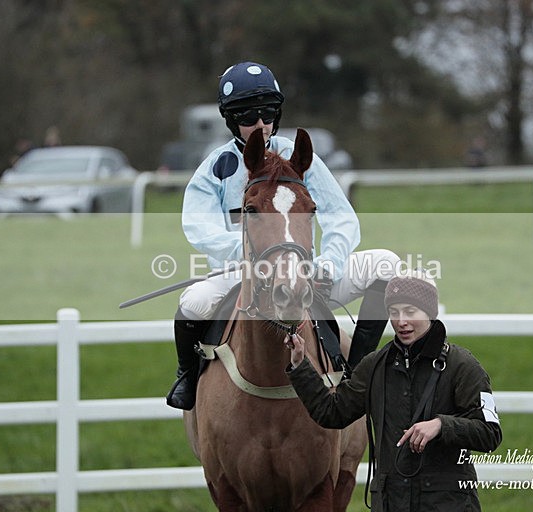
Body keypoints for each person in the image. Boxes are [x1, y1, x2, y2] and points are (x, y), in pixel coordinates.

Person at [166, 61, 401, 410]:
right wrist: (251, 258)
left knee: (388, 264)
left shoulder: (300, 158)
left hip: (305, 270)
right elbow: (199, 227)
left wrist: (327, 266)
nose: (260, 123)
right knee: (192, 304)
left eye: (268, 113)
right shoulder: (215, 166)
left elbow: (341, 219)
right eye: (248, 116)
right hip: (242, 275)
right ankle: (187, 376)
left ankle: (357, 372)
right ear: (231, 120)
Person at [286, 270, 502, 512]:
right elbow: (332, 413)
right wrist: (300, 367)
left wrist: (441, 426)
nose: (401, 321)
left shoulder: (462, 366)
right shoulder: (375, 366)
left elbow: (490, 433)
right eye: (394, 311)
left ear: (430, 313)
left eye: (410, 311)